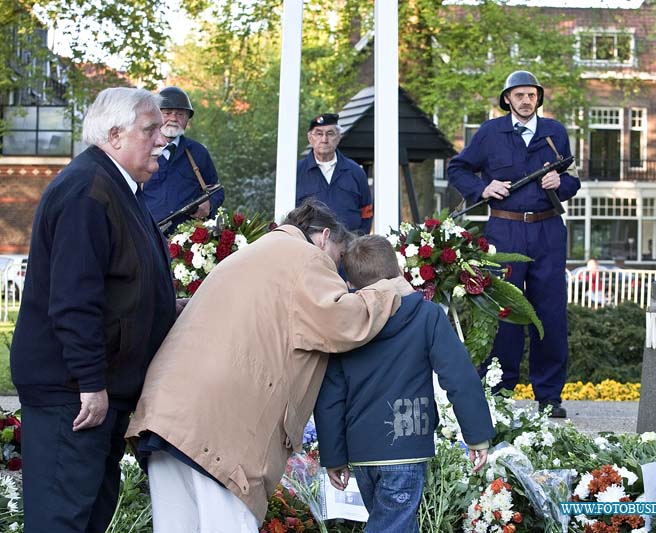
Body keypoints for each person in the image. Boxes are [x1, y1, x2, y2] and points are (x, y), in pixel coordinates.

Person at [125, 200, 413, 532]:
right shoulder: (306, 258)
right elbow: (344, 321)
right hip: (218, 434)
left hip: (168, 419)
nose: (339, 274)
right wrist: (388, 289)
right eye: (339, 259)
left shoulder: (255, 252)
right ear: (324, 238)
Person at [10, 87, 176, 532]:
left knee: (86, 519)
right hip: (75, 396)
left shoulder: (120, 189)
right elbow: (73, 299)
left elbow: (127, 286)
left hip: (94, 393)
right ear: (115, 134)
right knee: (63, 522)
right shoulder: (88, 191)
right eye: (151, 129)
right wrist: (90, 381)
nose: (163, 139)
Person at [314, 235, 495, 533]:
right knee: (392, 526)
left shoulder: (346, 323)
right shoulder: (427, 316)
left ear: (353, 281)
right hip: (407, 444)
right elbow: (459, 376)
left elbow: (331, 394)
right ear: (397, 269)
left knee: (395, 524)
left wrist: (334, 456)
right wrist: (476, 435)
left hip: (362, 450)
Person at [447, 70, 581, 418]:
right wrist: (483, 189)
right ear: (507, 99)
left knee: (549, 314)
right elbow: (458, 168)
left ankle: (549, 397)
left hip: (547, 232)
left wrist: (559, 182)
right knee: (502, 312)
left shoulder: (555, 133)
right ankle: (499, 392)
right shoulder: (491, 133)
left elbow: (570, 181)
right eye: (518, 95)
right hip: (504, 231)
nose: (525, 101)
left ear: (538, 98)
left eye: (531, 95)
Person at [141, 86, 223, 234]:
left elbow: (216, 190)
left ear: (187, 119)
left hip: (187, 244)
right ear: (155, 117)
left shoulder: (198, 152)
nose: (173, 118)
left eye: (180, 114)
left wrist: (209, 205)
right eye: (167, 113)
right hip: (147, 238)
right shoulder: (140, 150)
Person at [297, 113, 373, 234]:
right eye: (319, 133)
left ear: (338, 137)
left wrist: (359, 241)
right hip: (308, 247)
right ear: (310, 138)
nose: (324, 139)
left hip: (349, 247)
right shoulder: (297, 171)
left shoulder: (355, 171)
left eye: (330, 133)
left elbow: (367, 210)